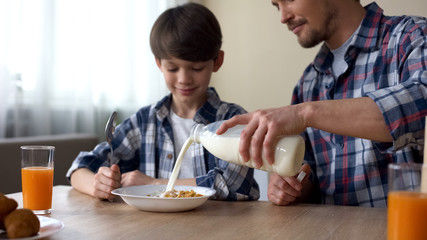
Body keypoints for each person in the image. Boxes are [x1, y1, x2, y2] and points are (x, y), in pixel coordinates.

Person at [217, 0, 427, 207]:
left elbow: (421, 102)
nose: (283, 17)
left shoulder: (412, 37)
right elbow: (309, 180)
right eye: (276, 6)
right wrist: (291, 186)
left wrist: (305, 113)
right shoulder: (308, 82)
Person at [66, 3, 260, 201]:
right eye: (173, 69)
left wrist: (152, 184)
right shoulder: (144, 122)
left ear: (217, 61)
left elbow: (234, 185)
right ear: (159, 63)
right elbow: (80, 167)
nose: (184, 79)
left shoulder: (232, 120)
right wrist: (97, 184)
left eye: (196, 68)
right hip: (156, 229)